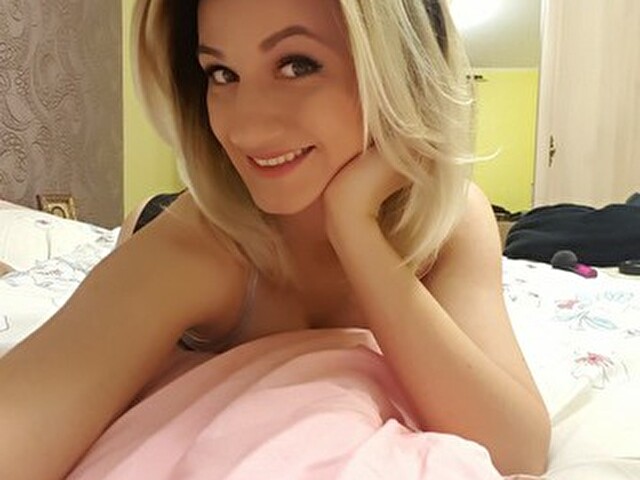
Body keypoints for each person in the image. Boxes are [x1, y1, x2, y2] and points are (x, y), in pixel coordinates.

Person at [0, 0, 551, 478]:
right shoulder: (199, 250)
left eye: (297, 65)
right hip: (184, 215)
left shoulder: (452, 220)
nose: (245, 129)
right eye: (221, 73)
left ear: (402, 72)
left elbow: (515, 446)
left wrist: (356, 231)